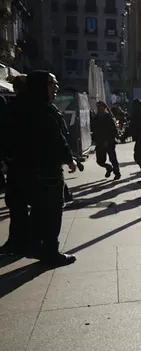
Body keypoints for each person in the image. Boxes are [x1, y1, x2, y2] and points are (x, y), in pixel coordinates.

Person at [2, 71, 77, 265]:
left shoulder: (19, 107)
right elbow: (56, 139)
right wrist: (69, 159)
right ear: (39, 86)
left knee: (38, 210)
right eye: (52, 84)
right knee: (52, 211)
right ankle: (50, 252)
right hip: (46, 172)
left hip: (24, 172)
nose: (56, 88)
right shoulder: (42, 111)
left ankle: (33, 246)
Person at [92, 100, 121, 180]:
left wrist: (108, 140)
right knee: (100, 161)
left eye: (100, 106)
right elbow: (94, 130)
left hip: (109, 142)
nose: (98, 108)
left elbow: (114, 131)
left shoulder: (108, 118)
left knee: (113, 159)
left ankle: (117, 173)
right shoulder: (96, 118)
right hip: (100, 143)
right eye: (97, 107)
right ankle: (108, 167)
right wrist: (95, 139)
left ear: (104, 107)